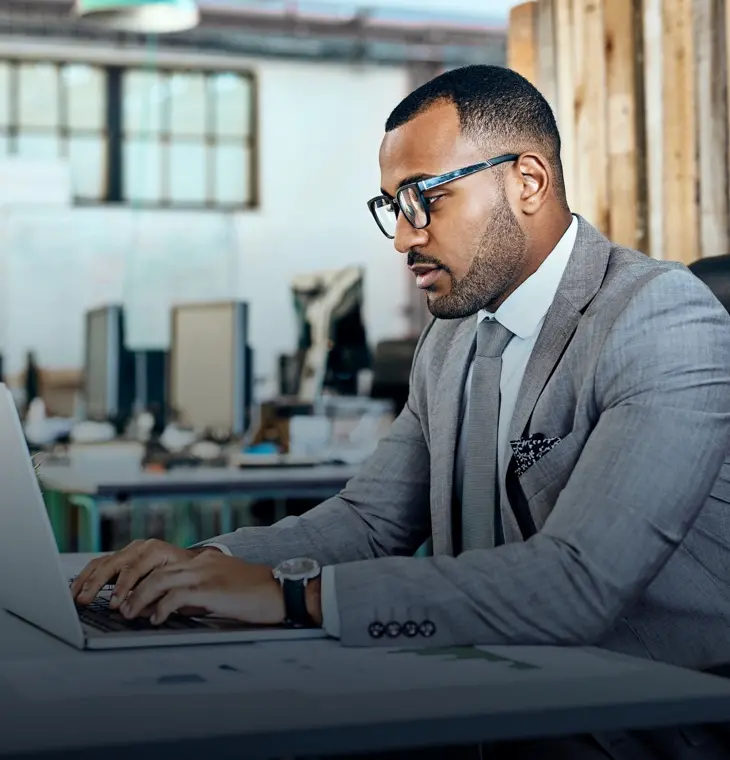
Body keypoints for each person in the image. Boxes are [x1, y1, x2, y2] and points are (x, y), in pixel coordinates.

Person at [71, 66, 730, 758]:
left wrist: (295, 596)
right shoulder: (451, 338)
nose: (402, 239)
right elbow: (371, 519)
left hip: (639, 727)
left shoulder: (658, 317)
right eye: (392, 205)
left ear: (528, 182)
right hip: (495, 700)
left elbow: (576, 583)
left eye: (426, 200)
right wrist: (204, 563)